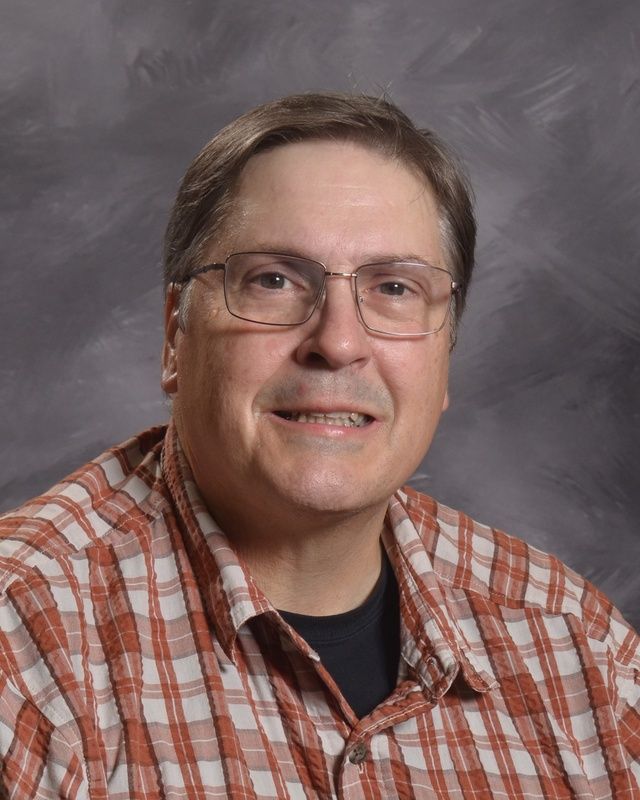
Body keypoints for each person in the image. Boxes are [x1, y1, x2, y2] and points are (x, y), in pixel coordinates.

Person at [0, 92, 637, 799]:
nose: (337, 343)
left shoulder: (576, 643)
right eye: (273, 280)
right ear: (174, 335)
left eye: (394, 287)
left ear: (445, 352)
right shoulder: (25, 644)